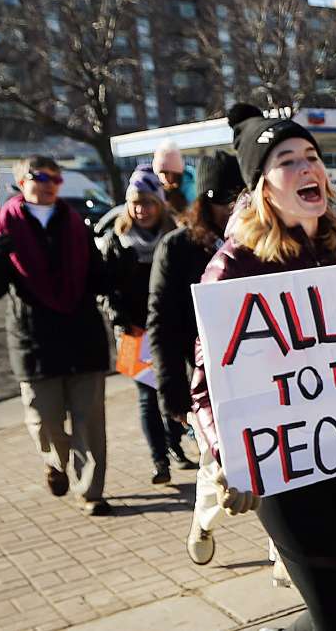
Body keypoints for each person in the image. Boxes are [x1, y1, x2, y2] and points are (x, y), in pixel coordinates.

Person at [190, 103, 336, 631]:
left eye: (311, 156)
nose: (307, 168)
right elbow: (205, 385)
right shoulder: (234, 266)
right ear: (262, 187)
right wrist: (228, 453)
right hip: (282, 463)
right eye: (286, 160)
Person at [0, 155, 112, 516]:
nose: (50, 183)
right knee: (44, 421)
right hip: (34, 340)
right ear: (22, 183)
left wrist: (117, 269)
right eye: (41, 176)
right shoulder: (3, 229)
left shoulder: (76, 225)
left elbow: (98, 279)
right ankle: (54, 462)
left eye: (56, 177)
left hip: (83, 337)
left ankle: (91, 493)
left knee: (90, 423)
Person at [146, 150, 244, 565]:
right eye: (223, 197)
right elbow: (162, 324)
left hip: (264, 377)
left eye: (241, 196)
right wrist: (172, 393)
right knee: (214, 467)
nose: (233, 207)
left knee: (282, 472)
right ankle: (203, 523)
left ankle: (290, 557)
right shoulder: (178, 247)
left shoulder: (267, 242)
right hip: (208, 380)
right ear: (204, 201)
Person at [98, 168, 192, 486]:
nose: (142, 209)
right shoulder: (117, 240)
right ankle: (159, 459)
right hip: (132, 331)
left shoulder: (175, 238)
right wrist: (120, 321)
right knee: (145, 398)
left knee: (174, 387)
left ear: (160, 203)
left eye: (149, 202)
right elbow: (106, 289)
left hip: (169, 330)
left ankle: (176, 445)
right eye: (136, 203)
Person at [152, 139, 190, 216]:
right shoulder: (157, 190)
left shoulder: (189, 186)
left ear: (175, 172)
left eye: (166, 173)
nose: (164, 177)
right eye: (160, 173)